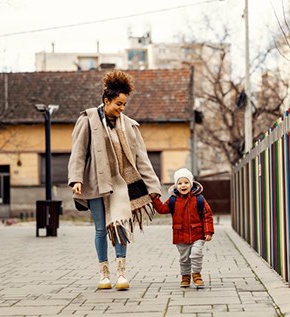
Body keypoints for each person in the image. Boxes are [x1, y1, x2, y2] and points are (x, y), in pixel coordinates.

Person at [68, 71, 161, 290]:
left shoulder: (129, 125)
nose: (121, 108)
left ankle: (121, 273)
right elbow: (78, 152)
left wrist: (153, 186)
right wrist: (76, 179)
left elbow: (141, 158)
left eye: (124, 105)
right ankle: (104, 275)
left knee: (120, 225)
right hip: (95, 183)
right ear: (106, 100)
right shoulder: (88, 120)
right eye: (118, 104)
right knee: (101, 229)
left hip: (121, 184)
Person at [151, 168, 214, 288]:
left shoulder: (199, 199)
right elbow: (162, 209)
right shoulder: (173, 200)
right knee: (184, 258)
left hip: (198, 233)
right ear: (176, 185)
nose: (183, 185)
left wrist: (208, 231)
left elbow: (207, 215)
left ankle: (196, 275)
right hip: (180, 234)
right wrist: (155, 199)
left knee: (196, 253)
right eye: (180, 183)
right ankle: (185, 277)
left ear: (191, 184)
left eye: (186, 182)